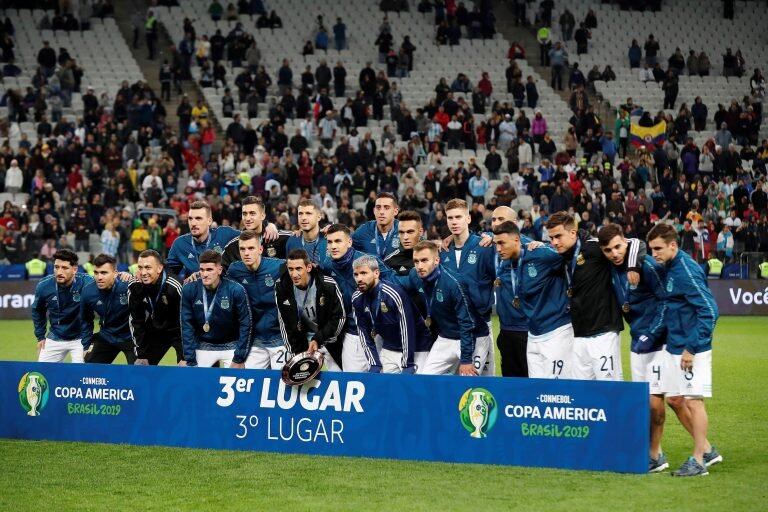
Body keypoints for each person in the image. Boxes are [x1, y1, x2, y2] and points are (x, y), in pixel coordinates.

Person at [598, 224, 676, 472]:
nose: (615, 253)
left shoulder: (646, 265)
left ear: (626, 243)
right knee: (643, 399)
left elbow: (665, 301)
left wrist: (653, 334)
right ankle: (649, 451)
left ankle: (656, 454)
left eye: (618, 247)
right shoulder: (609, 265)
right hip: (636, 339)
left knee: (656, 400)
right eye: (608, 250)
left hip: (658, 339)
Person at [647, 223, 722, 477]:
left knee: (693, 401)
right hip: (675, 346)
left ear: (673, 245)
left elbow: (710, 310)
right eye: (651, 249)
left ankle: (699, 460)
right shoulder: (668, 267)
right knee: (676, 399)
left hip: (692, 349)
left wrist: (692, 348)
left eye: (658, 248)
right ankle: (709, 450)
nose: (654, 253)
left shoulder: (685, 270)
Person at [546, 212, 642, 381]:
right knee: (582, 396)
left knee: (609, 391)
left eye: (558, 236)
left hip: (604, 333)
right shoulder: (562, 256)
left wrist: (633, 265)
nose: (554, 242)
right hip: (579, 335)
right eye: (551, 238)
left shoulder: (593, 247)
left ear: (572, 233)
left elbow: (632, 242)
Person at [492, 222, 571, 378]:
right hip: (533, 335)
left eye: (502, 243)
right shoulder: (506, 264)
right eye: (496, 244)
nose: (498, 249)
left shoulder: (540, 254)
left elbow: (571, 252)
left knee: (559, 392)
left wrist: (546, 244)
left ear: (516, 240)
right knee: (536, 391)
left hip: (556, 331)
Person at [319, 224, 396, 372]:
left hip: (379, 333)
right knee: (351, 381)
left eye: (338, 241)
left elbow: (393, 286)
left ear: (349, 242)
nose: (333, 246)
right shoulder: (327, 266)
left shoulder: (368, 261)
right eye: (330, 242)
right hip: (352, 333)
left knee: (382, 382)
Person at [440, 199, 495, 375]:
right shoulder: (443, 251)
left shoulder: (484, 246)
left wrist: (493, 238)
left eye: (458, 217)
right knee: (450, 383)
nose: (454, 222)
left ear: (468, 219)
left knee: (483, 383)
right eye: (450, 218)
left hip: (480, 326)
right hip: (453, 328)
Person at [407, 241, 476, 375]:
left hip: (469, 338)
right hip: (445, 338)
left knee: (471, 386)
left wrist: (466, 359)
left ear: (437, 260)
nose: (419, 266)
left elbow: (467, 323)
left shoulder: (454, 283)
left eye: (424, 260)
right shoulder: (414, 275)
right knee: (426, 378)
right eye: (416, 261)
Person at [352, 255, 426, 373]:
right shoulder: (356, 298)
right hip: (390, 348)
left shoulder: (393, 293)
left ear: (376, 273)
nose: (359, 278)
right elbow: (363, 332)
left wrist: (407, 363)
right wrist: (374, 362)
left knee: (415, 389)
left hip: (417, 347)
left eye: (364, 273)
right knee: (384, 388)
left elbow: (407, 329)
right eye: (356, 275)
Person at [275, 248, 345, 370]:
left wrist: (319, 339)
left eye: (298, 269)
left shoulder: (327, 285)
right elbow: (284, 323)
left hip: (329, 340)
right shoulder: (281, 286)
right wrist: (294, 353)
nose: (294, 274)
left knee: (335, 379)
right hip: (302, 343)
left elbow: (339, 317)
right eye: (290, 269)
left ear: (308, 267)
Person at [180, 250, 252, 367]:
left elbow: (246, 324)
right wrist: (190, 359)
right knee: (191, 381)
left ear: (219, 270)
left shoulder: (235, 290)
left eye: (209, 270)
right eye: (202, 270)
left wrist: (239, 358)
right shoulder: (189, 289)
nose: (204, 274)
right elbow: (186, 326)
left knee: (238, 379)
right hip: (203, 345)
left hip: (231, 345)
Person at [225, 230, 285, 369]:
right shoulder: (234, 270)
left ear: (260, 249)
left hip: (280, 338)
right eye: (242, 249)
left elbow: (301, 268)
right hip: (255, 340)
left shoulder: (278, 266)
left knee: (284, 383)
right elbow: (218, 281)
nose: (246, 253)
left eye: (251, 248)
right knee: (250, 384)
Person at [32, 249, 94, 363]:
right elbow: (37, 310)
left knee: (82, 376)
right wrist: (40, 336)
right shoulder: (44, 286)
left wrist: (122, 275)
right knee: (42, 372)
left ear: (75, 269)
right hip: (55, 336)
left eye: (64, 268)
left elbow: (106, 280)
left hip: (81, 338)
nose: (59, 272)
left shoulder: (86, 282)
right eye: (56, 267)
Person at [489, 207, 528, 377]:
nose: (496, 223)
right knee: (510, 384)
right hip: (505, 329)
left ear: (513, 224)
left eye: (500, 219)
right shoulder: (489, 246)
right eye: (493, 219)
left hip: (528, 330)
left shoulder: (530, 248)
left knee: (532, 384)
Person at [130, 250, 184, 366]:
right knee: (141, 368)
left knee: (185, 370)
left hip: (178, 331)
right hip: (155, 330)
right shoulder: (135, 286)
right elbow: (136, 322)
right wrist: (141, 355)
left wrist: (185, 356)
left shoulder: (174, 286)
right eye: (140, 268)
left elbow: (186, 321)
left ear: (159, 269)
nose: (143, 272)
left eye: (148, 267)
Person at [80, 254, 135, 364]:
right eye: (96, 273)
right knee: (89, 367)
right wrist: (86, 346)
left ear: (115, 273)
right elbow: (85, 320)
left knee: (140, 372)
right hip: (107, 336)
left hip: (131, 337)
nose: (99, 277)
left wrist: (133, 277)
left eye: (104, 273)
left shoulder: (128, 285)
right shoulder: (88, 292)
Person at [167, 200, 240, 277]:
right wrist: (185, 283)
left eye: (198, 218)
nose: (193, 223)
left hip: (225, 286)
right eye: (190, 219)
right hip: (196, 288)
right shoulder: (180, 244)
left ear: (209, 221)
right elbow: (169, 274)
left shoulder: (224, 234)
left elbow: (250, 237)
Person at [222, 196, 287, 268]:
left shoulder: (279, 238)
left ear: (262, 216)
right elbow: (220, 273)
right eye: (244, 214)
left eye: (252, 213)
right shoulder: (232, 247)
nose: (247, 218)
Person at [352, 192, 400, 259]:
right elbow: (346, 248)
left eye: (386, 208)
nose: (381, 212)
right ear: (374, 211)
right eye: (378, 208)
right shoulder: (364, 230)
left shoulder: (404, 229)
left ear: (395, 211)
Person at [285, 199, 327, 264]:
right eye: (300, 214)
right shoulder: (292, 241)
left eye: (308, 213)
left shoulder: (329, 239)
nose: (303, 218)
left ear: (319, 217)